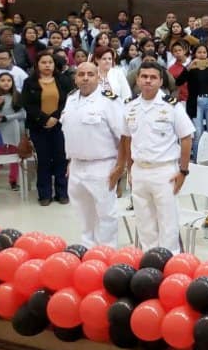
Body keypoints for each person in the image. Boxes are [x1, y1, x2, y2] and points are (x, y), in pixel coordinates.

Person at [117, 62, 194, 252]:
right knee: (144, 223)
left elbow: (186, 138)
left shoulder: (171, 106)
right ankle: (149, 263)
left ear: (161, 81)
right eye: (144, 77)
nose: (148, 81)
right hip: (139, 170)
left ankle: (170, 264)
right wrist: (129, 168)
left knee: (168, 223)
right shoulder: (130, 106)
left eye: (153, 77)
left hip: (164, 171)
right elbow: (126, 138)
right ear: (137, 80)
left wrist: (183, 171)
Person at [61, 62, 124, 248]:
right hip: (77, 164)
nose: (85, 78)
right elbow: (72, 132)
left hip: (102, 164)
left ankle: (106, 252)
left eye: (90, 74)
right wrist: (71, 161)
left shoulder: (109, 101)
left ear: (99, 77)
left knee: (106, 213)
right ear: (75, 78)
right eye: (81, 74)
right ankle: (87, 248)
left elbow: (124, 137)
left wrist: (121, 166)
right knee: (83, 212)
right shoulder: (71, 99)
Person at [22, 51, 74, 206]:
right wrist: (44, 119)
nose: (47, 65)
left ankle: (62, 192)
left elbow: (68, 101)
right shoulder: (29, 82)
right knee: (43, 160)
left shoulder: (63, 80)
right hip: (38, 126)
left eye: (50, 62)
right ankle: (44, 194)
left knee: (61, 159)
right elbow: (28, 104)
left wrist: (55, 117)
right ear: (37, 64)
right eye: (43, 62)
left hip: (60, 126)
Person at [175, 44, 208, 159]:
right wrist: (188, 68)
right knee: (198, 133)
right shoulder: (191, 68)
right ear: (194, 54)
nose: (202, 55)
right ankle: (197, 159)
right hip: (195, 102)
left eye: (204, 52)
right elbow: (178, 82)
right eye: (199, 52)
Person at [0, 72, 25, 191]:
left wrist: (6, 118)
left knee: (15, 157)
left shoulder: (17, 96)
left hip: (14, 130)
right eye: (2, 80)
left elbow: (23, 113)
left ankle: (13, 181)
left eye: (9, 80)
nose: (6, 82)